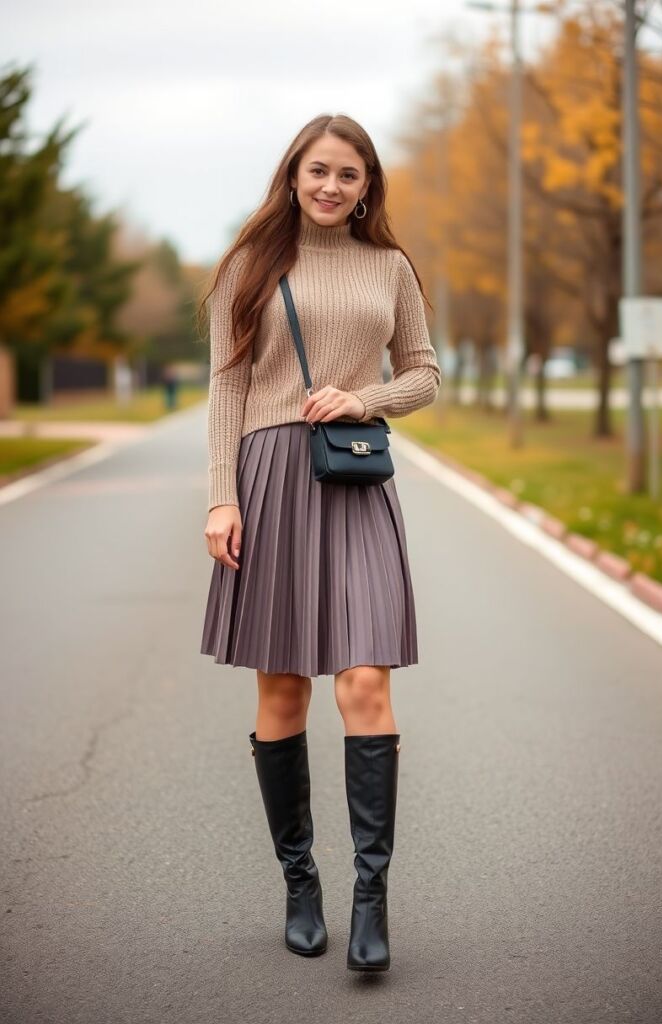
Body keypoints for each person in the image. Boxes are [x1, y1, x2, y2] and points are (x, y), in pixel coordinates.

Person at [199, 112, 441, 973]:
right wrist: (222, 501)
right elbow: (228, 388)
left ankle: (370, 903)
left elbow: (423, 370)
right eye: (318, 171)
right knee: (283, 691)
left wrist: (363, 398)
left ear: (367, 183)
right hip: (268, 480)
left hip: (353, 483)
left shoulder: (391, 267)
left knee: (366, 681)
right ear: (293, 175)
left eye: (349, 173)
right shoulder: (249, 266)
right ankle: (300, 885)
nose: (332, 186)